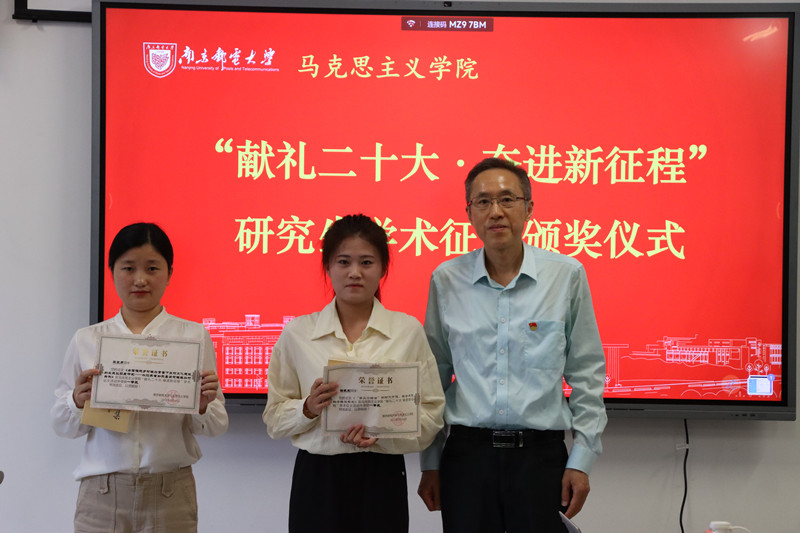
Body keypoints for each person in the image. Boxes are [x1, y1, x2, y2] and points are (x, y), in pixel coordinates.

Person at [417, 158, 607, 533]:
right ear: (469, 213)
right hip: (467, 459)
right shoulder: (446, 279)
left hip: (540, 458)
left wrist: (582, 459)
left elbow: (587, 374)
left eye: (507, 199)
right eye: (483, 202)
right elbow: (434, 377)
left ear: (529, 207)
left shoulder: (565, 275)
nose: (496, 212)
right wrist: (430, 462)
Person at [263, 214, 445, 533]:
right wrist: (308, 408)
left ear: (383, 268)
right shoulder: (298, 334)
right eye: (344, 261)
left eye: (367, 262)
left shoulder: (407, 331)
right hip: (318, 477)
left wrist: (387, 429)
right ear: (328, 267)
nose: (355, 273)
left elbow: (432, 414)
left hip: (382, 474)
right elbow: (274, 419)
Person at [51, 222, 228, 533]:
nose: (140, 279)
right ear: (112, 271)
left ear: (169, 273)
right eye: (129, 268)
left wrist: (202, 405)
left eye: (152, 268)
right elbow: (62, 426)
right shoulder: (87, 339)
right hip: (102, 493)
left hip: (170, 493)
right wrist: (76, 401)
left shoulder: (193, 337)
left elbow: (216, 426)